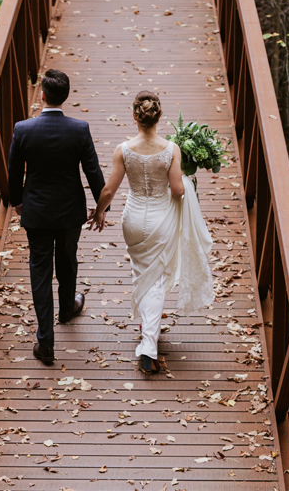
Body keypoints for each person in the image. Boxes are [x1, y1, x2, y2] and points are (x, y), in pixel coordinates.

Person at [88, 91, 214, 374]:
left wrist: (98, 212)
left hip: (133, 219)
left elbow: (109, 190)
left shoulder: (123, 149)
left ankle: (147, 326)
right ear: (159, 117)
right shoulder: (171, 150)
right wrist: (186, 177)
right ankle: (148, 348)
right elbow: (178, 191)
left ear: (135, 116)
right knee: (155, 280)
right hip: (160, 219)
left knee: (141, 273)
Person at [7, 69, 106, 367]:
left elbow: (14, 173)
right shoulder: (79, 129)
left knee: (40, 272)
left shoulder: (23, 129)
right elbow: (93, 171)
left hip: (36, 212)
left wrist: (17, 203)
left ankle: (46, 342)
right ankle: (66, 308)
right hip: (69, 211)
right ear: (65, 96)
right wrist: (101, 207)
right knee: (67, 259)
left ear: (43, 95)